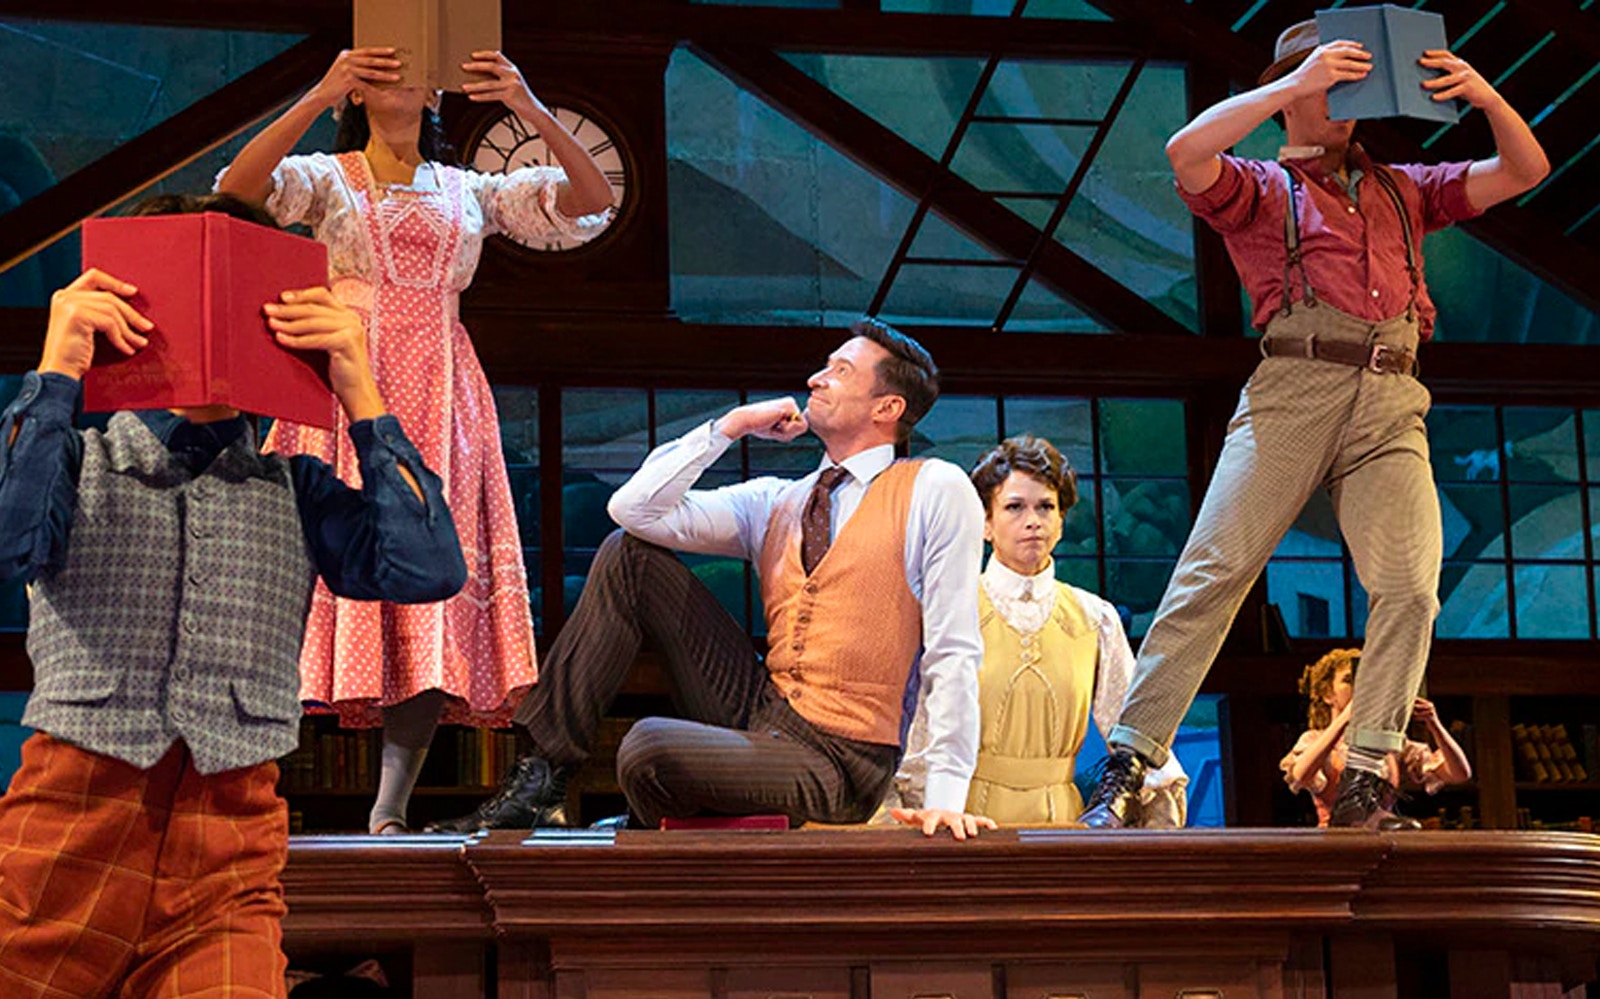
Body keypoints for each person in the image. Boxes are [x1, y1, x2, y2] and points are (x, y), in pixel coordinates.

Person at [1081, 19, 1548, 830]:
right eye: (1328, 83)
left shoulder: (1404, 188)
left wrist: (1481, 94)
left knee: (1410, 588)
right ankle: (1130, 756)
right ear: (1293, 95)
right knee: (1214, 569)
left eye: (1350, 83)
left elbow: (1525, 169)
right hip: (1296, 386)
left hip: (1392, 397)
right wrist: (1293, 84)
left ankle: (1368, 772)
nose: (1340, 100)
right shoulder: (1260, 185)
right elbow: (1185, 153)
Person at [0, 192, 466, 998]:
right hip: (64, 839)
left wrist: (361, 390)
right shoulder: (77, 459)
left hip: (226, 859)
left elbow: (428, 570)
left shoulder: (298, 486)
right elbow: (10, 540)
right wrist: (56, 372)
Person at [215, 48, 614, 833]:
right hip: (338, 389)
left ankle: (388, 809)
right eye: (382, 65)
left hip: (442, 397)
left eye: (415, 66)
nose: (402, 76)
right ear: (359, 85)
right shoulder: (328, 178)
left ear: (435, 87)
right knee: (292, 586)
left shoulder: (470, 189)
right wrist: (318, 92)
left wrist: (529, 106)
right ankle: (248, 792)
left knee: (429, 583)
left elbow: (592, 201)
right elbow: (236, 192)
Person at [429, 317, 995, 839]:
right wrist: (728, 428)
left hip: (840, 760)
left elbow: (953, 650)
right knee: (629, 556)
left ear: (887, 407)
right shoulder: (778, 499)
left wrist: (944, 795)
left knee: (647, 744)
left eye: (840, 371)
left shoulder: (933, 488)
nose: (815, 379)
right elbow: (635, 511)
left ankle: (655, 821)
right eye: (824, 366)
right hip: (763, 712)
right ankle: (539, 783)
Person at [887, 435, 1187, 827]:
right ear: (986, 524)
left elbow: (1136, 730)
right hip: (959, 823)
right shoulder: (946, 611)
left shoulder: (1094, 619)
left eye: (1046, 507)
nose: (1033, 521)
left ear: (1062, 522)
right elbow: (916, 734)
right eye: (1014, 507)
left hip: (1060, 830)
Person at [1282, 649, 1471, 827]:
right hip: (1335, 841)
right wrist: (1346, 717)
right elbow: (1301, 775)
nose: (1359, 688)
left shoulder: (1388, 742)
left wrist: (1434, 724)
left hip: (1382, 838)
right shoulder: (1315, 740)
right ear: (1327, 694)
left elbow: (1459, 773)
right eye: (1349, 680)